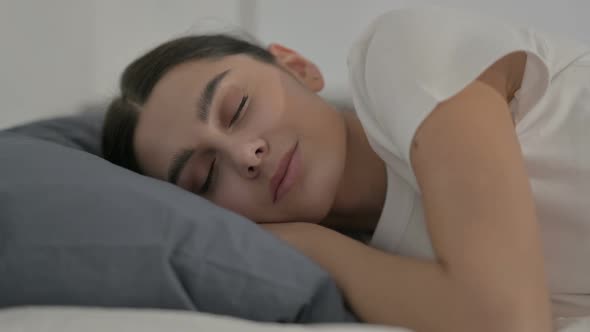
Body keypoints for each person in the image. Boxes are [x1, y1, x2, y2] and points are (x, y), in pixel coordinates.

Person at [101, 6, 590, 332]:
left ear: (296, 67)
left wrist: (308, 242)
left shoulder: (400, 53)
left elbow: (507, 321)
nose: (246, 154)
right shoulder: (380, 278)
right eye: (205, 177)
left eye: (238, 107)